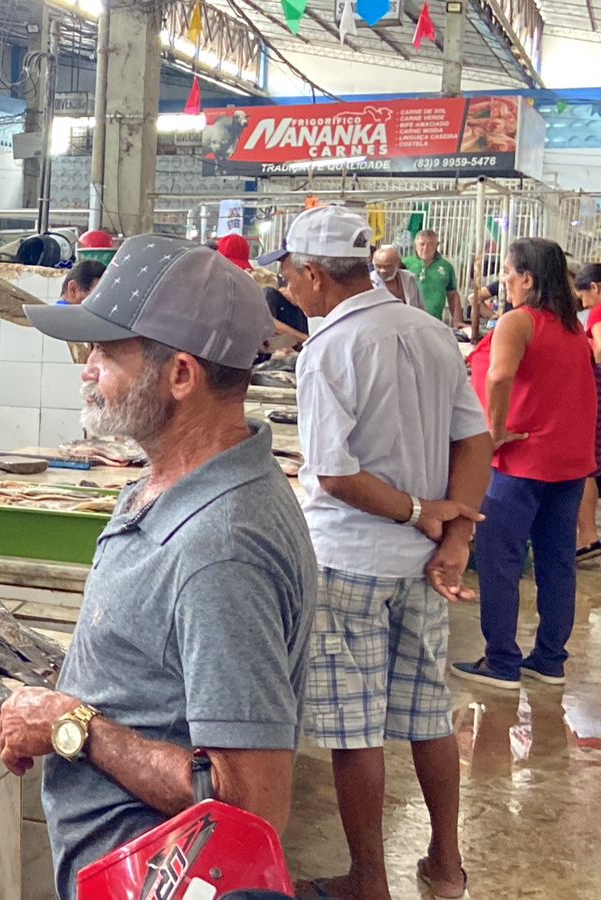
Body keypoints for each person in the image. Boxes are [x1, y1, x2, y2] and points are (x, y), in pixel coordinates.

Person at [0, 234, 315, 900]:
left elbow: (252, 805)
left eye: (107, 353)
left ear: (180, 375)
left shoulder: (220, 548)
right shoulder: (168, 482)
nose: (86, 368)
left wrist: (73, 726)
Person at [265, 206, 491, 900]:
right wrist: (452, 538)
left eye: (288, 273)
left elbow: (334, 473)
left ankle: (368, 879)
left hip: (350, 559)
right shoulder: (429, 333)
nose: (286, 285)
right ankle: (446, 865)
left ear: (311, 275)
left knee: (353, 725)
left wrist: (424, 513)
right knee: (429, 712)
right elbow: (475, 440)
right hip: (421, 566)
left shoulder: (327, 349)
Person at [454, 238, 598, 688]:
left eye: (509, 275)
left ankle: (501, 661)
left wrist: (493, 432)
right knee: (557, 562)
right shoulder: (572, 327)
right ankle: (550, 659)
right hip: (567, 461)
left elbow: (499, 375)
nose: (505, 283)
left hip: (520, 461)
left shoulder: (520, 321)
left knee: (501, 560)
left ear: (527, 279)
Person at [576, 264, 601, 562]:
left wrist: (584, 342)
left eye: (583, 292)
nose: (581, 300)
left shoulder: (597, 313)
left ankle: (587, 536)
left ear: (595, 287)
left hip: (597, 389)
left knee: (586, 464)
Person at [403, 229, 464, 327]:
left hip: (434, 322)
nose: (425, 248)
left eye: (430, 244)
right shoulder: (405, 264)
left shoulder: (446, 266)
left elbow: (452, 295)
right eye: (422, 244)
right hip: (408, 321)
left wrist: (458, 321)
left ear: (437, 245)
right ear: (415, 245)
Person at [371, 244, 425, 311]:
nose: (382, 271)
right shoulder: (369, 282)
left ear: (398, 264)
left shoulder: (410, 278)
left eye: (387, 266)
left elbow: (421, 307)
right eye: (378, 266)